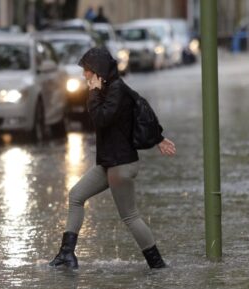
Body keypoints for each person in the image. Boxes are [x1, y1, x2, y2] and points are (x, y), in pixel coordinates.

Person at [48, 47, 176, 270]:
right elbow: (139, 106)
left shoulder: (115, 90)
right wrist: (158, 138)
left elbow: (101, 118)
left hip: (121, 165)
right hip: (109, 163)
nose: (84, 75)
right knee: (76, 195)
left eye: (87, 70)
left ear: (98, 71)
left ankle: (157, 264)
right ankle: (66, 254)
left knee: (130, 216)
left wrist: (93, 93)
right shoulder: (112, 88)